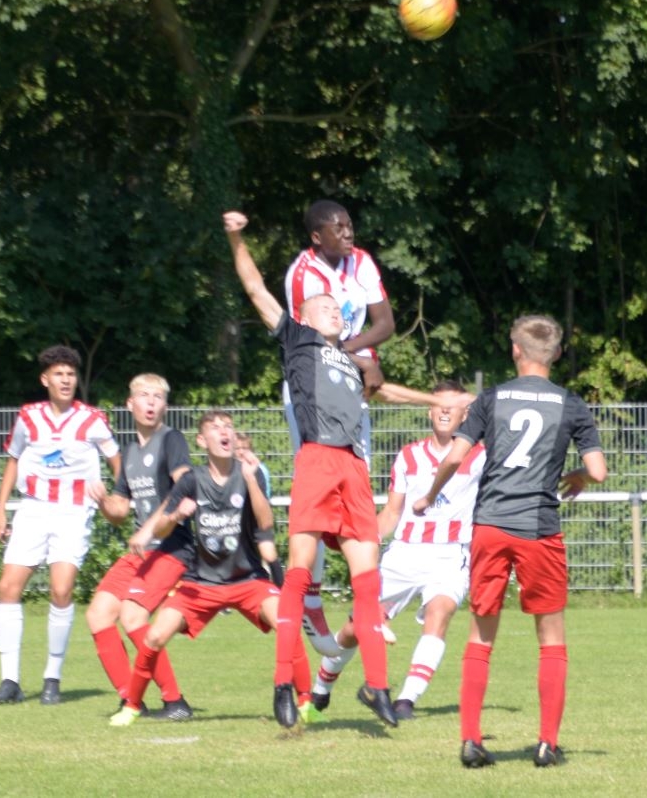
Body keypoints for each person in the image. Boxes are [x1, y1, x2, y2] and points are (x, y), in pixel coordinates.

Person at [223, 209, 459, 730]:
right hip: (318, 459)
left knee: (367, 583)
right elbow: (256, 288)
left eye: (337, 306)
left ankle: (376, 686)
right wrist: (237, 236)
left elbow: (388, 390)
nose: (335, 311)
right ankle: (285, 681)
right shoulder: (297, 341)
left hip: (353, 468)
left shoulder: (354, 361)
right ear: (306, 316)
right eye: (326, 306)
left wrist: (446, 399)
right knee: (300, 571)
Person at [411, 315, 606, 769]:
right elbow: (596, 471)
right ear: (555, 355)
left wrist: (428, 496)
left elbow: (456, 458)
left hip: (491, 526)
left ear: (515, 350)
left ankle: (471, 740)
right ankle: (546, 744)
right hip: (539, 528)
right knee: (551, 638)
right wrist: (575, 474)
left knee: (481, 635)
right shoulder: (570, 403)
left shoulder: (491, 398)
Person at [108, 410, 310, 727]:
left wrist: (251, 483)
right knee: (155, 637)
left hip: (248, 580)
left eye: (228, 426)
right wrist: (175, 517)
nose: (224, 431)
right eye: (215, 428)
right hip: (201, 583)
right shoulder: (191, 480)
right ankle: (131, 706)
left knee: (287, 623)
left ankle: (305, 701)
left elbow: (266, 523)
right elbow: (160, 532)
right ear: (202, 440)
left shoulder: (249, 473)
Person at [308, 381, 485, 721]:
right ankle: (321, 688)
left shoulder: (479, 456)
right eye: (438, 403)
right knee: (356, 627)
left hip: (450, 555)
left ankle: (406, 700)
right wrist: (360, 544)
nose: (445, 410)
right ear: (429, 411)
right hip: (404, 553)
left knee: (440, 613)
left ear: (466, 413)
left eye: (453, 405)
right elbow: (391, 513)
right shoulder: (408, 455)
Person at [284, 200, 395, 658]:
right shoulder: (303, 273)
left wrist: (361, 356)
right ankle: (311, 602)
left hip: (348, 378)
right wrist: (362, 359)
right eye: (338, 228)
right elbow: (312, 343)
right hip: (312, 389)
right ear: (317, 237)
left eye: (350, 226)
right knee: (317, 508)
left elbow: (385, 323)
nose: (348, 234)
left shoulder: (361, 261)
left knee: (359, 498)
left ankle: (367, 609)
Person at [0, 345, 121, 705]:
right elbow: (13, 460)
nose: (66, 380)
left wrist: (120, 496)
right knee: (7, 587)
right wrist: (0, 510)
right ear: (45, 379)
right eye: (59, 374)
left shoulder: (92, 418)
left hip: (74, 511)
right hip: (32, 509)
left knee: (61, 590)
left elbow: (116, 460)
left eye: (71, 374)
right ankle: (10, 681)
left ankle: (52, 678)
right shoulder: (28, 416)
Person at [85, 374, 194, 719]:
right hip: (143, 552)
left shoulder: (171, 439)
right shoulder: (129, 452)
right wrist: (103, 501)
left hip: (173, 546)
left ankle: (175, 702)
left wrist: (148, 529)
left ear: (165, 405)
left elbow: (185, 486)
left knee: (133, 615)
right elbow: (119, 510)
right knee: (98, 612)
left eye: (158, 397)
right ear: (129, 403)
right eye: (144, 396)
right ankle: (130, 698)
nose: (151, 402)